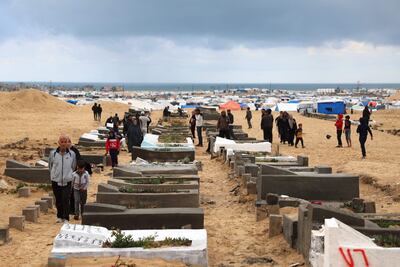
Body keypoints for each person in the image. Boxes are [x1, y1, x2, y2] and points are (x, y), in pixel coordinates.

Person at [49, 135, 76, 223]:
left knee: (66, 198)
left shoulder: (72, 154)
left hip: (67, 180)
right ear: (59, 143)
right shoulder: (53, 153)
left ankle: (66, 217)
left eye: (65, 142)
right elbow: (50, 166)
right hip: (56, 180)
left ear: (68, 143)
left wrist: (69, 175)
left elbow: (73, 166)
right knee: (58, 199)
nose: (64, 144)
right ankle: (59, 216)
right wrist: (53, 175)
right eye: (62, 142)